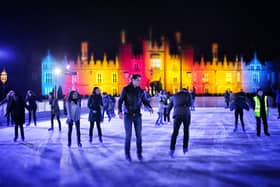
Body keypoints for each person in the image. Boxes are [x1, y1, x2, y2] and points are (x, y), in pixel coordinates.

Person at [118, 74, 153, 162]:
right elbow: (120, 100)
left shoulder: (140, 91)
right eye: (137, 80)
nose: (139, 82)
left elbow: (144, 100)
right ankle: (127, 154)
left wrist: (149, 107)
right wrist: (119, 111)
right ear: (132, 80)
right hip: (128, 115)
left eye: (140, 80)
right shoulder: (125, 89)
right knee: (128, 135)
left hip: (137, 115)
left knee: (139, 136)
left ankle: (139, 153)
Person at [168, 88, 192, 158]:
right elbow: (190, 104)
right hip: (186, 114)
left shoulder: (174, 95)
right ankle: (185, 148)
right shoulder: (188, 95)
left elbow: (170, 106)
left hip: (177, 115)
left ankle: (171, 150)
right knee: (186, 131)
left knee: (175, 132)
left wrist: (167, 115)